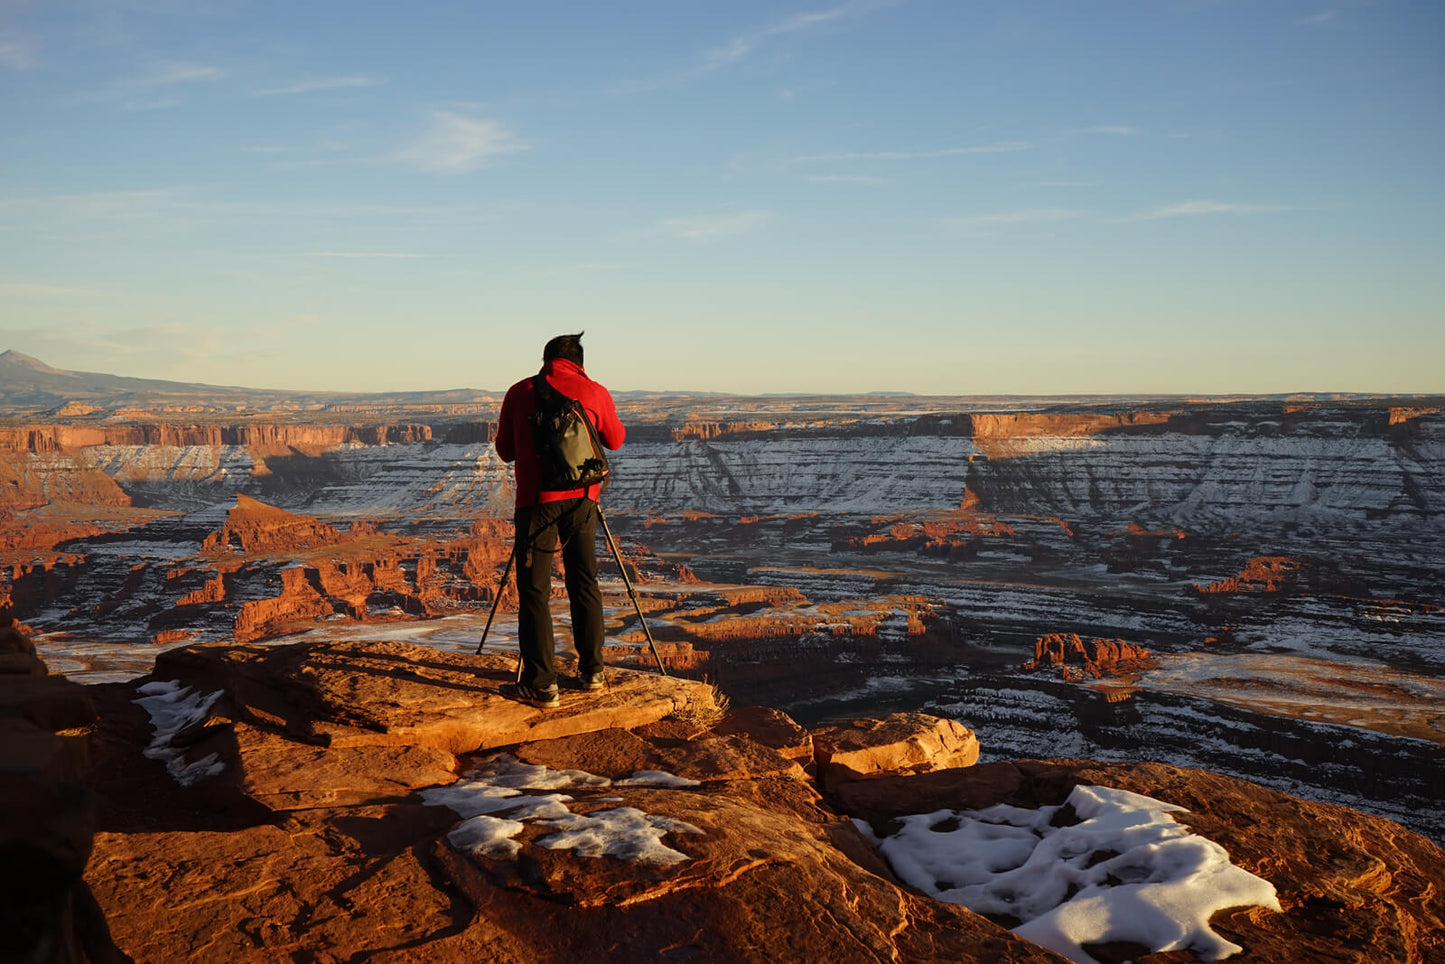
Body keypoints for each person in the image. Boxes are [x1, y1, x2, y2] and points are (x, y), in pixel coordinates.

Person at [494, 332, 626, 708]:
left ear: (545, 359)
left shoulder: (520, 392)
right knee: (584, 582)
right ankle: (593, 672)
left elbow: (504, 452)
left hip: (536, 505)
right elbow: (614, 440)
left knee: (535, 592)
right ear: (580, 363)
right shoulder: (595, 391)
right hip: (583, 501)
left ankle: (542, 685)